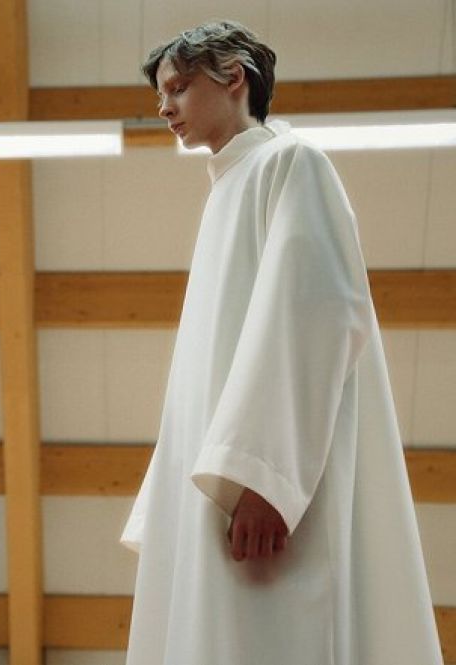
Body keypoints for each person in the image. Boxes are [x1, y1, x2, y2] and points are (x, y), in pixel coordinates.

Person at [121, 21, 443, 665]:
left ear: (234, 77)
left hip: (261, 486)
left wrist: (262, 477)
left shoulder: (290, 163)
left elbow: (316, 311)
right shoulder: (227, 189)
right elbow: (200, 375)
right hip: (220, 485)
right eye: (161, 95)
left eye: (178, 88)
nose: (163, 108)